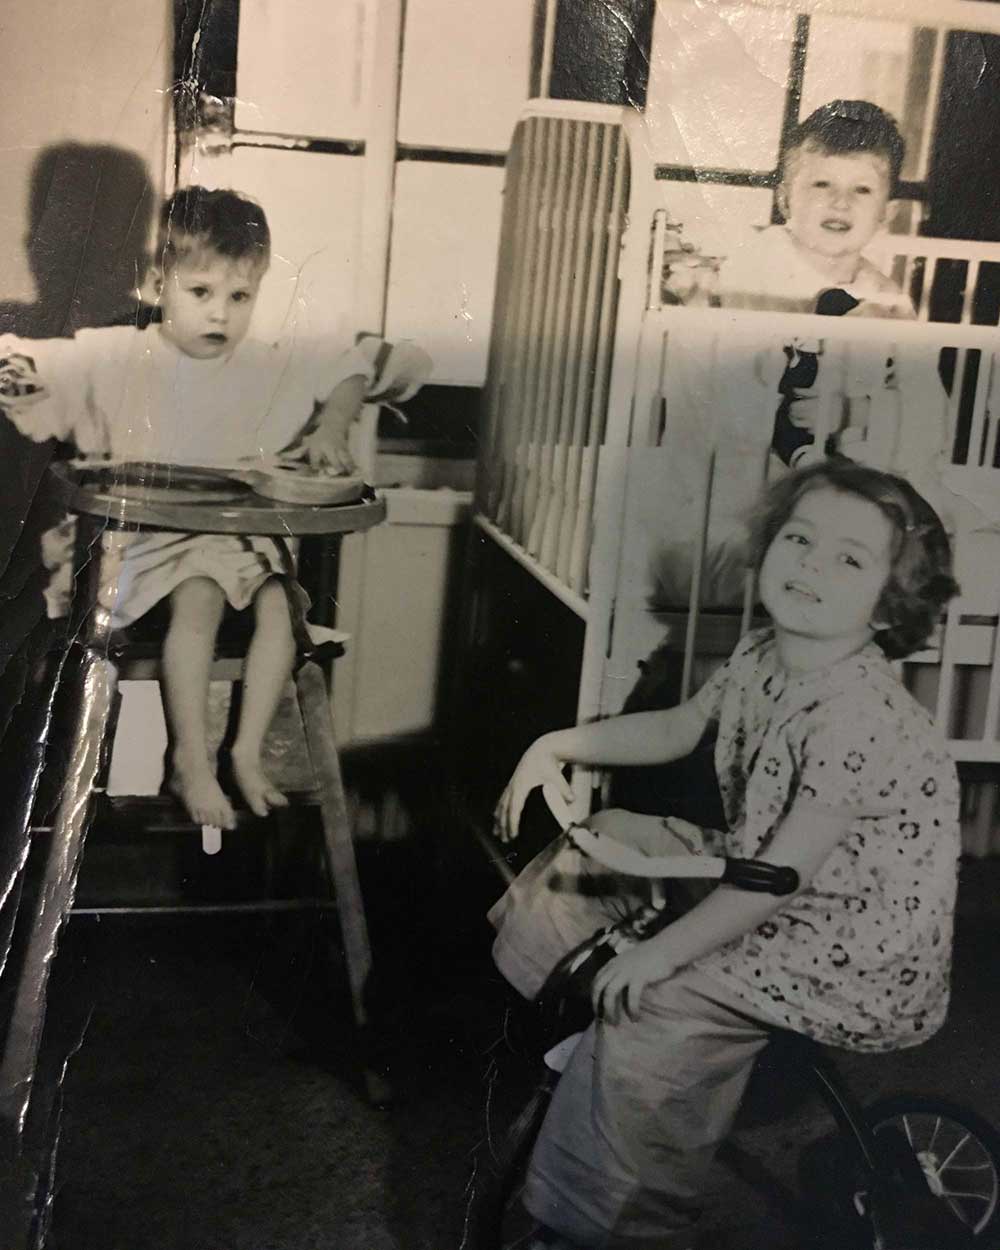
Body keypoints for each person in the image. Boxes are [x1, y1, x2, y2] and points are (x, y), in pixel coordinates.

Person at [490, 459, 961, 1249]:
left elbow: (779, 879)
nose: (810, 563)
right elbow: (678, 728)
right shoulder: (761, 652)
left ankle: (606, 1218)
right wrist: (554, 745)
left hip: (842, 943)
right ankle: (558, 1018)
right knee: (618, 842)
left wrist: (662, 957)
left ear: (889, 607)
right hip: (773, 877)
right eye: (798, 538)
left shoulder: (856, 715)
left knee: (657, 1005)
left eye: (847, 559)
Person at [0, 186, 429, 830]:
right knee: (199, 593)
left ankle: (246, 754)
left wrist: (333, 425)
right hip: (139, 549)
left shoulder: (266, 364)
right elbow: (24, 365)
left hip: (235, 544)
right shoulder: (120, 355)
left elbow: (361, 365)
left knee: (283, 604)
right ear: (156, 282)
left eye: (240, 297)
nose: (220, 316)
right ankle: (191, 761)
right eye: (199, 293)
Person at [664, 100, 946, 486]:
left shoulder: (887, 300)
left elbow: (925, 409)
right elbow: (707, 372)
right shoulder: (753, 265)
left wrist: (850, 416)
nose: (840, 202)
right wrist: (691, 294)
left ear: (886, 212)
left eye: (862, 189)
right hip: (733, 467)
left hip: (830, 481)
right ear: (784, 198)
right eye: (821, 184)